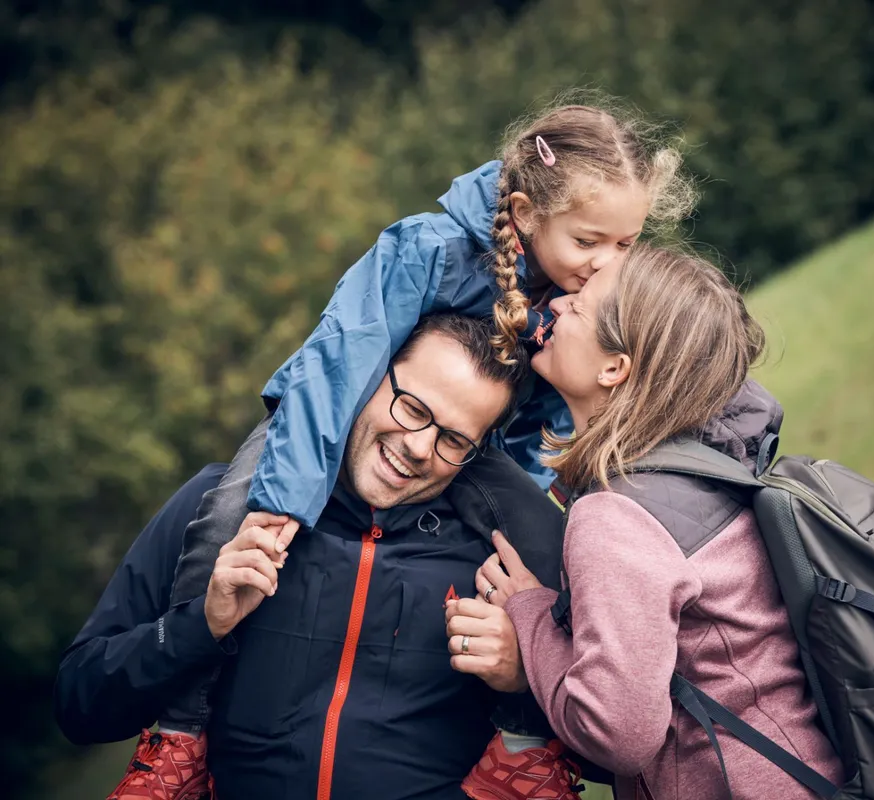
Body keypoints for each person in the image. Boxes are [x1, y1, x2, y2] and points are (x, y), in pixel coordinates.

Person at [109, 99, 696, 799]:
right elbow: (335, 370)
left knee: (544, 545)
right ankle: (176, 737)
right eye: (590, 241)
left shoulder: (566, 301)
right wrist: (284, 502)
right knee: (226, 517)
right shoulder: (425, 250)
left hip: (461, 452)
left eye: (625, 246)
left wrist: (512, 506)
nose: (607, 263)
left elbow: (536, 430)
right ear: (529, 212)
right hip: (327, 417)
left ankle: (525, 749)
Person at [56, 315, 593, 800]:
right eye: (412, 409)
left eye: (454, 439)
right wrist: (199, 625)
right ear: (367, 378)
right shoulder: (222, 511)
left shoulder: (500, 565)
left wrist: (530, 673)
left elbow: (618, 757)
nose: (420, 447)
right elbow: (80, 704)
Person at [448, 246, 846, 799]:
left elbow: (618, 736)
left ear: (615, 367)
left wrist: (532, 624)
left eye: (580, 308)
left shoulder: (617, 513)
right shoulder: (697, 470)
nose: (556, 306)